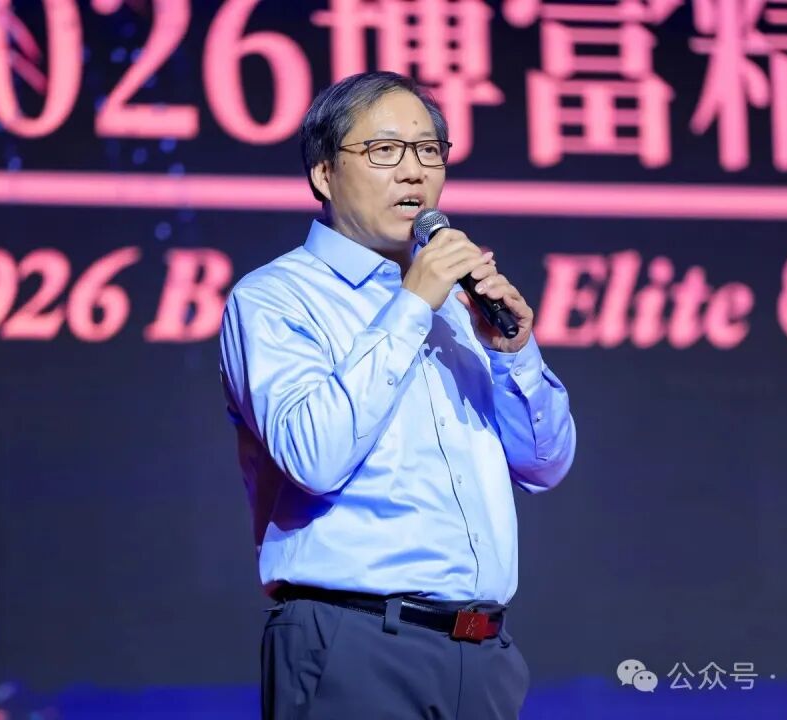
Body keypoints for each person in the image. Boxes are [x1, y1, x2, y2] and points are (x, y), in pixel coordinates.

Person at [219, 70, 576, 720]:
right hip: (352, 642)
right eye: (384, 151)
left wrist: (514, 353)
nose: (413, 172)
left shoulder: (457, 305)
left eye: (429, 151)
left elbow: (544, 465)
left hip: (484, 655)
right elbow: (313, 457)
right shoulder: (275, 298)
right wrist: (411, 305)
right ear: (324, 173)